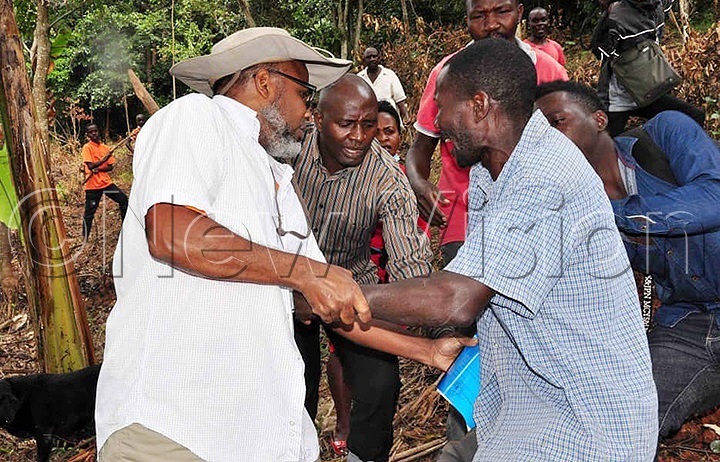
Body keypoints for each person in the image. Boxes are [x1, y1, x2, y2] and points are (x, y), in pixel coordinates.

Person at [361, 38, 658, 461]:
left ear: (480, 106)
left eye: (443, 107)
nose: (437, 122)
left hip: (587, 424)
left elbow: (456, 299)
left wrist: (337, 291)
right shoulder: (493, 169)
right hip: (529, 409)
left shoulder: (543, 174)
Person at [94, 27, 369, 462]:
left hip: (249, 439)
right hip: (174, 430)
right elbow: (171, 232)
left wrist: (429, 351)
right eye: (305, 95)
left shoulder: (275, 178)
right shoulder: (195, 118)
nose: (309, 112)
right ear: (264, 82)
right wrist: (304, 272)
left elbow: (321, 298)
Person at [405, 0, 569, 441]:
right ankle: (470, 434)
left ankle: (529, 427)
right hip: (463, 222)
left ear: (520, 10)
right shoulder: (448, 75)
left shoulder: (547, 69)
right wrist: (422, 186)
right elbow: (419, 151)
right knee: (470, 335)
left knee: (527, 332)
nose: (491, 24)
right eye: (479, 15)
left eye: (501, 12)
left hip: (534, 225)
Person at [535, 80, 720, 442]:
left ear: (599, 119)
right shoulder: (571, 208)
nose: (549, 138)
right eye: (538, 134)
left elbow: (714, 196)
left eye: (557, 121)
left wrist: (613, 214)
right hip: (691, 323)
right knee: (627, 414)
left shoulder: (665, 133)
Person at [292, 74, 433, 462]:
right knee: (292, 383)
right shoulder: (289, 150)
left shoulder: (388, 179)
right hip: (286, 285)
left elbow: (409, 267)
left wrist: (431, 311)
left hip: (354, 287)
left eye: (369, 125)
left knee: (379, 384)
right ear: (318, 119)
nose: (359, 136)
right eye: (346, 124)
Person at [590, 0, 705, 136]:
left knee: (694, 116)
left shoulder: (656, 7)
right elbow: (599, 51)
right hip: (617, 99)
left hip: (648, 91)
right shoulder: (618, 14)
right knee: (606, 143)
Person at [80, 124, 128, 241]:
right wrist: (103, 160)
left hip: (106, 183)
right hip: (92, 186)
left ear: (98, 131)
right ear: (88, 135)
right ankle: (85, 238)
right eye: (91, 132)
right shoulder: (87, 147)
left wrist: (100, 168)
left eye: (95, 131)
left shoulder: (105, 148)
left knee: (123, 199)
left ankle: (125, 228)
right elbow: (90, 166)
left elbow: (110, 167)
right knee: (89, 212)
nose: (94, 134)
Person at [357, 46, 411, 124]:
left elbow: (400, 98)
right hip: (368, 121)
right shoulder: (359, 78)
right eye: (369, 57)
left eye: (374, 56)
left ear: (379, 58)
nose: (372, 59)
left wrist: (406, 116)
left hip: (389, 119)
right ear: (364, 60)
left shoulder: (389, 74)